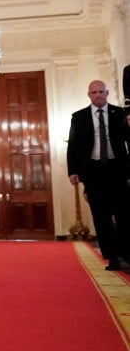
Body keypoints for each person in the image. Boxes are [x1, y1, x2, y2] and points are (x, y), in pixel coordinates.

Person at [67, 80, 130, 271]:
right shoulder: (79, 117)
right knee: (101, 217)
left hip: (117, 169)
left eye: (101, 91)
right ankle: (112, 258)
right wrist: (73, 171)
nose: (98, 95)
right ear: (89, 95)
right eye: (94, 92)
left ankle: (126, 254)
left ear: (107, 93)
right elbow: (73, 145)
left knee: (124, 215)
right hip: (93, 171)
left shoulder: (120, 114)